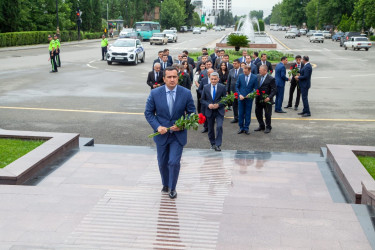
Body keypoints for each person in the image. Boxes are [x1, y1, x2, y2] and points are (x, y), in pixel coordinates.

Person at [144, 67, 196, 199]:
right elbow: (148, 113)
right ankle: (165, 184)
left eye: (174, 77)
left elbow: (192, 113)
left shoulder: (185, 93)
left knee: (173, 162)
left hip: (178, 136)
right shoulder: (155, 93)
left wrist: (183, 125)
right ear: (164, 79)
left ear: (178, 78)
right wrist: (157, 126)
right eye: (169, 77)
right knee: (162, 162)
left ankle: (172, 188)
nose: (172, 79)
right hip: (162, 135)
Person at [200, 72, 226, 152]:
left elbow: (225, 100)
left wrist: (219, 104)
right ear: (210, 79)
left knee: (219, 126)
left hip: (219, 111)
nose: (213, 81)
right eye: (212, 79)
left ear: (218, 79)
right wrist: (208, 105)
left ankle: (218, 145)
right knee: (210, 129)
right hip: (209, 111)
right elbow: (202, 100)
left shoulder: (222, 87)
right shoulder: (206, 87)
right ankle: (212, 143)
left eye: (215, 79)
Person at [255, 65, 277, 133]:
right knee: (258, 113)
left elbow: (274, 90)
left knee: (267, 114)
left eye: (260, 70)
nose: (259, 71)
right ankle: (261, 125)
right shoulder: (257, 76)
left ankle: (268, 127)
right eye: (259, 70)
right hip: (258, 99)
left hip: (267, 100)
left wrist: (269, 97)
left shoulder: (271, 78)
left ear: (265, 71)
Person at [236, 65, 257, 135]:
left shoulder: (254, 77)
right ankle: (241, 127)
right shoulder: (240, 76)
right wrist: (239, 94)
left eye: (246, 72)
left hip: (249, 98)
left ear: (250, 70)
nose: (244, 73)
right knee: (241, 113)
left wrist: (251, 94)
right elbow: (237, 87)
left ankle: (246, 127)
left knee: (248, 113)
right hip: (241, 98)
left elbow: (255, 88)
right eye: (243, 71)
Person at [198, 68, 215, 133]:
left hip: (213, 99)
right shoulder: (203, 80)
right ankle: (205, 127)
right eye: (210, 73)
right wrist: (204, 93)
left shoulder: (216, 80)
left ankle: (211, 127)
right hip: (205, 100)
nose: (212, 75)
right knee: (204, 114)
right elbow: (199, 89)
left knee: (211, 115)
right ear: (207, 74)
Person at [227, 59, 243, 124]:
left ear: (239, 64)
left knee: (240, 105)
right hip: (232, 91)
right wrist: (227, 90)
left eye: (235, 63)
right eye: (233, 63)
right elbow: (229, 81)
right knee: (234, 105)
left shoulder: (242, 70)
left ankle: (241, 118)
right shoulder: (231, 71)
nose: (234, 64)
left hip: (240, 91)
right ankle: (235, 117)